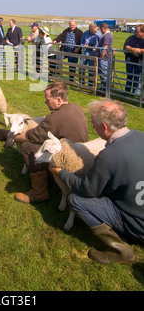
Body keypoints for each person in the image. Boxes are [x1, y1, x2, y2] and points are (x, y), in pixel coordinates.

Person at [50, 99, 144, 265]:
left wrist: (61, 173)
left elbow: (87, 189)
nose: (93, 127)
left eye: (94, 124)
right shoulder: (140, 135)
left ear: (105, 127)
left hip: (137, 225)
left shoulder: (109, 156)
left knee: (76, 199)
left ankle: (122, 250)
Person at [13, 81, 88, 204]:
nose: (45, 102)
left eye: (47, 100)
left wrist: (13, 137)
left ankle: (39, 192)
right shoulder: (76, 107)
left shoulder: (54, 119)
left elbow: (32, 136)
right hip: (82, 154)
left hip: (68, 160)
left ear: (58, 100)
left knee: (27, 147)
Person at [123, 24, 144, 95]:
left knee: (136, 77)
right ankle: (127, 91)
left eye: (137, 31)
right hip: (130, 59)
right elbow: (126, 47)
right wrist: (134, 50)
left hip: (140, 61)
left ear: (143, 32)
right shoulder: (132, 37)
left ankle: (135, 93)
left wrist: (140, 51)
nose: (136, 32)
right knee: (129, 76)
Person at [96, 22, 113, 93]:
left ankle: (105, 90)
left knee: (104, 73)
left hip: (104, 58)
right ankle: (103, 89)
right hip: (105, 58)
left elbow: (105, 47)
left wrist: (101, 56)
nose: (101, 31)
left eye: (101, 30)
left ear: (103, 28)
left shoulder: (107, 36)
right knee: (103, 73)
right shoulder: (108, 35)